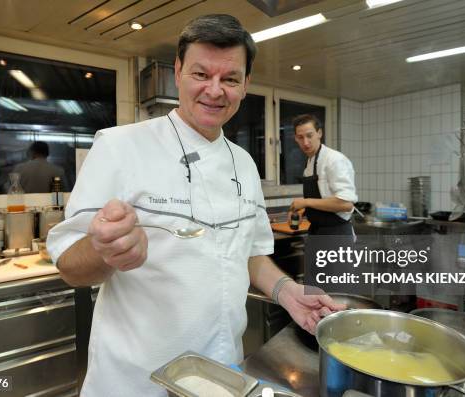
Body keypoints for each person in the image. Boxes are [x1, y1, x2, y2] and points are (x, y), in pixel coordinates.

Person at [46, 14, 344, 397]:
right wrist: (105, 252)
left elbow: (247, 253)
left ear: (245, 84)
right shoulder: (120, 146)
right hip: (136, 381)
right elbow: (69, 265)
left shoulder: (244, 163)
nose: (215, 91)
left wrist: (287, 291)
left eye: (230, 79)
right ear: (178, 71)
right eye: (201, 75)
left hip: (221, 376)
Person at [288, 114, 358, 236]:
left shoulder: (334, 160)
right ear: (296, 139)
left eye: (309, 135)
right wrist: (302, 212)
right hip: (317, 231)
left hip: (336, 234)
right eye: (300, 137)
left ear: (319, 133)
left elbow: (346, 204)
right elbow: (323, 198)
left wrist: (306, 202)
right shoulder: (310, 162)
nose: (305, 142)